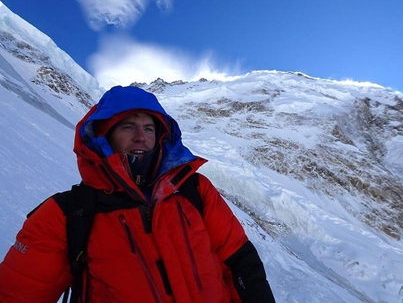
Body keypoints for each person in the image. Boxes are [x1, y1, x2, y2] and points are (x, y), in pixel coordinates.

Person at [0, 85, 275, 303]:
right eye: (128, 126)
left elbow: (241, 261)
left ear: (161, 137)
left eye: (149, 128)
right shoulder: (67, 214)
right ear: (104, 137)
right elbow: (17, 294)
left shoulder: (195, 190)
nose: (140, 137)